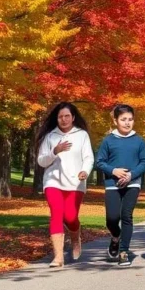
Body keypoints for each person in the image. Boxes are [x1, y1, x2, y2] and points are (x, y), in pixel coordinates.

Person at [36, 102, 95, 269]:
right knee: (56, 213)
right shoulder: (50, 136)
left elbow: (89, 157)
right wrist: (55, 151)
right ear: (57, 119)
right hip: (53, 181)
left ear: (73, 117)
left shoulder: (82, 135)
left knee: (70, 217)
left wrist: (85, 171)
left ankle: (75, 238)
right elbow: (41, 161)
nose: (63, 119)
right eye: (60, 117)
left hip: (75, 183)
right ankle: (58, 256)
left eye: (67, 116)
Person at [95, 104, 145, 267]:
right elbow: (100, 162)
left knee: (126, 216)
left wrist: (131, 175)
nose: (127, 123)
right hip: (112, 184)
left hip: (132, 184)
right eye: (123, 119)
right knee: (112, 219)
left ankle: (124, 252)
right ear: (115, 121)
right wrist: (114, 171)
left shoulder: (138, 141)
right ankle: (115, 238)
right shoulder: (108, 140)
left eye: (130, 119)